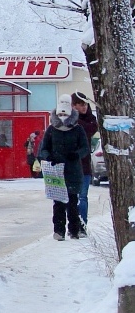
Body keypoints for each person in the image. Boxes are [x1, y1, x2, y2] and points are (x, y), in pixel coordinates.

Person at [38, 99, 89, 240]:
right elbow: (43, 149)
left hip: (73, 170)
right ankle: (59, 231)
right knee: (58, 203)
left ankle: (74, 230)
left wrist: (76, 154)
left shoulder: (78, 129)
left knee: (72, 202)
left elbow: (85, 148)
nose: (62, 117)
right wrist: (50, 157)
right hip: (56, 171)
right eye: (60, 114)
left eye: (65, 114)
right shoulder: (51, 130)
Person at [70, 92, 99, 226]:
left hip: (84, 164)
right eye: (81, 104)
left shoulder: (90, 119)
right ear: (73, 106)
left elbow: (90, 129)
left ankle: (82, 224)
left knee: (83, 196)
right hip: (70, 165)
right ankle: (73, 224)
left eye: (85, 104)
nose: (84, 107)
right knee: (71, 198)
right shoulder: (67, 119)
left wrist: (76, 119)